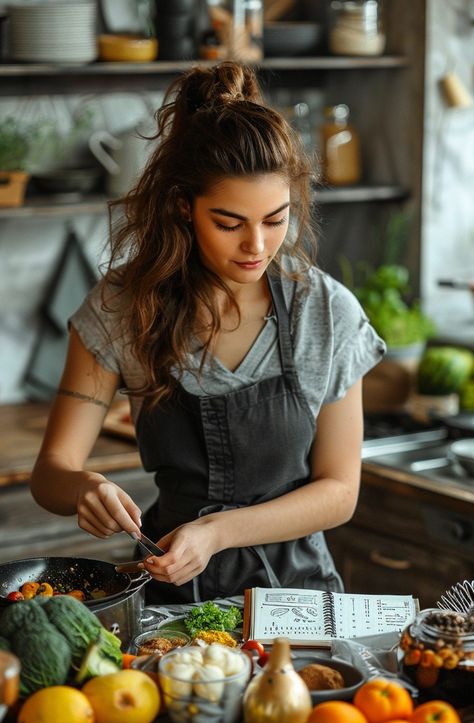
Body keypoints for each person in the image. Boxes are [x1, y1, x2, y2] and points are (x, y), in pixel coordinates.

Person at [30, 61, 385, 604]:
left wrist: (217, 533)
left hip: (298, 603)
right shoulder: (122, 307)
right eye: (228, 223)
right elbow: (52, 471)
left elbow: (339, 492)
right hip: (169, 597)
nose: (257, 247)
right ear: (182, 207)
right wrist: (85, 489)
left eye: (275, 219)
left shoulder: (326, 311)